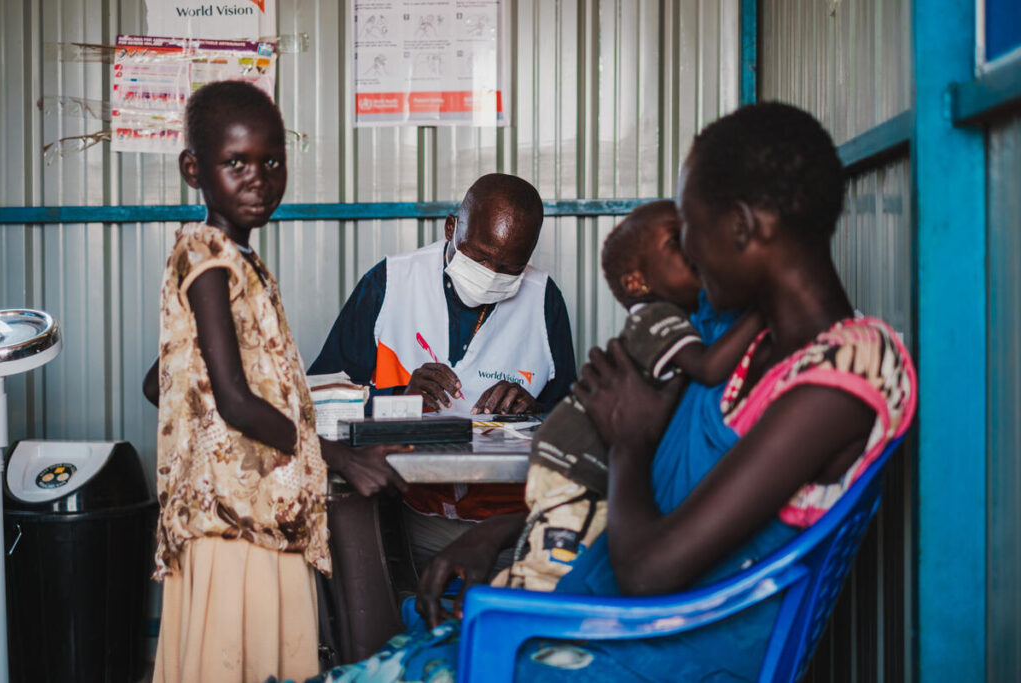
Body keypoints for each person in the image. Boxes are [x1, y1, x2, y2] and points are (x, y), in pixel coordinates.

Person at [295, 101, 917, 682]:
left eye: (688, 229)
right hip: (606, 609)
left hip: (652, 646)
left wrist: (631, 441)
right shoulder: (739, 340)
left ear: (741, 228)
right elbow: (632, 487)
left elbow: (649, 566)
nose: (688, 256)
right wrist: (495, 533)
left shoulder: (840, 377)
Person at [141, 80, 408, 683]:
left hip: (255, 508)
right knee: (242, 661)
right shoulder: (208, 256)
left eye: (271, 161)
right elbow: (235, 401)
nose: (257, 177)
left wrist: (191, 400)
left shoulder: (237, 260)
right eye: (235, 162)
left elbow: (160, 382)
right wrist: (337, 455)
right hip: (236, 521)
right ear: (194, 169)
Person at [309, 173, 577, 570]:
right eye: (481, 257)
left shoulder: (543, 300)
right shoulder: (391, 283)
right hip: (411, 517)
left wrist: (535, 409)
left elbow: (571, 422)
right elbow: (319, 406)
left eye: (509, 268)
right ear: (452, 227)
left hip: (510, 526)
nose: (491, 275)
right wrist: (396, 399)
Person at [506, 200, 763, 591]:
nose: (692, 249)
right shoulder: (659, 317)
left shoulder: (674, 319)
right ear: (637, 282)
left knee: (567, 550)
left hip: (579, 461)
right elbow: (709, 368)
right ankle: (517, 608)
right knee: (553, 565)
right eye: (677, 242)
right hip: (577, 462)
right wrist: (762, 310)